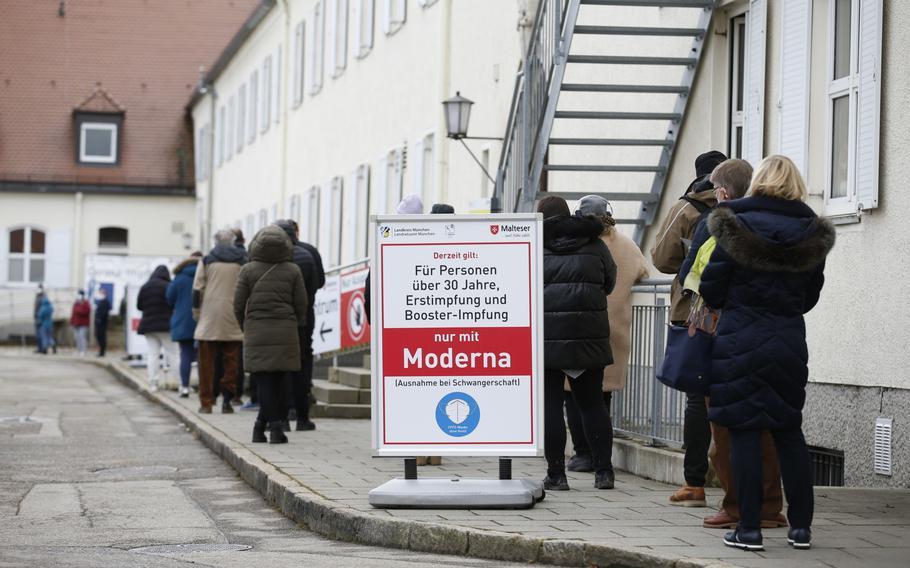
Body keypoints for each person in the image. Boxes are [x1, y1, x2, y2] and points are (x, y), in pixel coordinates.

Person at [698, 155, 834, 551]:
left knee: (743, 431)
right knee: (788, 431)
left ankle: (749, 530)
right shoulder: (811, 231)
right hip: (788, 339)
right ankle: (801, 529)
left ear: (758, 181)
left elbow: (711, 287)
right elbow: (810, 296)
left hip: (740, 339)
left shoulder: (733, 223)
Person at [678, 159, 788, 530]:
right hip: (778, 340)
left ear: (722, 192)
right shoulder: (779, 225)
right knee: (769, 427)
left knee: (726, 425)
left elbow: (698, 280)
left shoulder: (722, 226)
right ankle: (772, 506)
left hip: (726, 338)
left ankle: (737, 505)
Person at [650, 150, 727, 507]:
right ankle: (737, 484)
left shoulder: (687, 207)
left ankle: (695, 484)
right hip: (736, 313)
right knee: (734, 394)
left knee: (697, 397)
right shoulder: (746, 205)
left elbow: (662, 258)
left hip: (693, 312)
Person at [565, 196, 649, 473]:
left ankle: (583, 453)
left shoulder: (573, 243)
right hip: (614, 331)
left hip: (577, 328)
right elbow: (645, 272)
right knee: (601, 398)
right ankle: (602, 455)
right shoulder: (627, 245)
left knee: (574, 395)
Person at [538, 195, 617, 491]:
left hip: (547, 339)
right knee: (592, 404)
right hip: (589, 335)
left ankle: (556, 475)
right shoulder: (595, 244)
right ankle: (604, 473)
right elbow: (609, 282)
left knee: (551, 407)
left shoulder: (534, 246)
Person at [234, 225, 308, 444]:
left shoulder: (247, 270)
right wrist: (295, 323)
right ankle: (270, 428)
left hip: (257, 329)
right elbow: (301, 304)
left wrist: (245, 327)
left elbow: (238, 305)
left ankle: (268, 427)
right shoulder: (293, 270)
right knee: (279, 380)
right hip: (286, 330)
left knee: (264, 381)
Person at [275, 219, 323, 431]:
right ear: (296, 233)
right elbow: (318, 282)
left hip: (280, 319)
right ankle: (302, 415)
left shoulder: (270, 257)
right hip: (305, 316)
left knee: (282, 365)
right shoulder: (309, 252)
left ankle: (282, 416)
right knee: (303, 362)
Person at [193, 230, 246, 414]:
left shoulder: (207, 260)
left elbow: (197, 289)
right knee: (232, 362)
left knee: (206, 364)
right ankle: (227, 400)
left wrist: (197, 313)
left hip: (209, 317)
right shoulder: (242, 260)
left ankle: (206, 403)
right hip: (233, 316)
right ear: (233, 242)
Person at [167, 252, 202, 398]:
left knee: (185, 354)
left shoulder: (179, 277)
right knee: (203, 356)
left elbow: (169, 298)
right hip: (201, 319)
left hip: (182, 321)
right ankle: (204, 387)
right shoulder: (204, 276)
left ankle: (185, 387)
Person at [136, 265, 176, 392]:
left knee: (153, 355)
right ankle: (180, 382)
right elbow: (173, 303)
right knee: (173, 354)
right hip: (166, 326)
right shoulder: (168, 286)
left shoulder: (145, 286)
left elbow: (139, 306)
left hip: (149, 326)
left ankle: (153, 383)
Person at [70, 290, 91, 356]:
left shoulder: (86, 303)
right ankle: (78, 350)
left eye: (79, 294)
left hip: (83, 324)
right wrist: (72, 321)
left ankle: (83, 351)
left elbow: (86, 311)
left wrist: (79, 309)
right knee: (76, 337)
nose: (78, 296)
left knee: (82, 337)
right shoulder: (76, 303)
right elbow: (73, 313)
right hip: (76, 323)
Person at [94, 288, 111, 357]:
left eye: (102, 293)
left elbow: (105, 312)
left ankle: (102, 352)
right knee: (99, 336)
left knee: (102, 337)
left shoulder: (106, 302)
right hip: (98, 323)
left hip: (102, 323)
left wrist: (100, 318)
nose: (101, 294)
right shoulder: (101, 301)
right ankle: (100, 351)